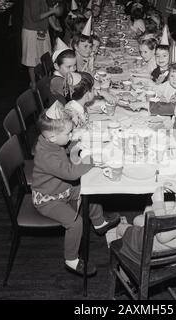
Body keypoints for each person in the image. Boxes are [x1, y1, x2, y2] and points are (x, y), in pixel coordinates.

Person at [32, 102, 120, 275]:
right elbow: (71, 173)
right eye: (68, 133)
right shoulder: (45, 156)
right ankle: (71, 259)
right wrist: (91, 160)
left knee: (90, 190)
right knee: (75, 222)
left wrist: (75, 145)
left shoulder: (52, 142)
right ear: (52, 137)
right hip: (48, 199)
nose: (71, 135)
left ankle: (99, 222)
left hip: (61, 189)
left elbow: (64, 147)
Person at [22, 0, 61, 90]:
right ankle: (33, 83)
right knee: (32, 60)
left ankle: (44, 82)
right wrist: (53, 11)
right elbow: (35, 17)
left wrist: (55, 27)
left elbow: (46, 13)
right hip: (32, 32)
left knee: (44, 57)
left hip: (42, 30)